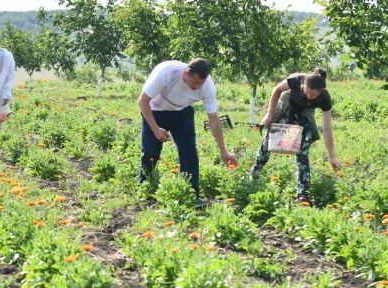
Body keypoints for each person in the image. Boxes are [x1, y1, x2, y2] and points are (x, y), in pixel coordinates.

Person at [138, 58, 237, 207]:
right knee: (151, 152)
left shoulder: (207, 85)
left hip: (182, 113)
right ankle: (144, 188)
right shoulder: (167, 73)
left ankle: (192, 195)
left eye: (200, 83)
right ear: (186, 74)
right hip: (155, 111)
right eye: (194, 82)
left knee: (189, 152)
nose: (197, 87)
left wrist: (224, 151)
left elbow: (213, 119)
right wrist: (155, 129)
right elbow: (143, 100)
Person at [251, 68, 340, 206]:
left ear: (321, 91)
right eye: (307, 91)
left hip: (305, 114)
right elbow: (277, 90)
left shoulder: (324, 98)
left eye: (313, 94)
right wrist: (269, 114)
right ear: (303, 84)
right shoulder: (297, 79)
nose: (309, 95)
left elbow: (327, 129)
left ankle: (302, 193)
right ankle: (254, 175)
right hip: (287, 106)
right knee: (268, 143)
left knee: (302, 151)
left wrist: (332, 157)